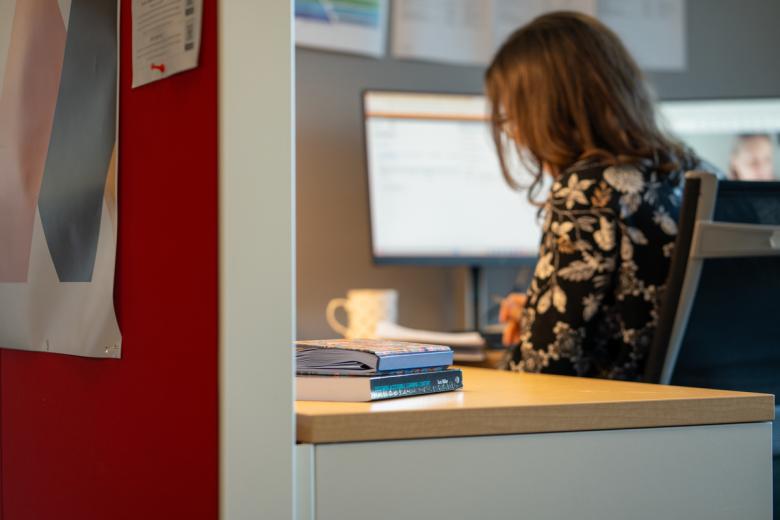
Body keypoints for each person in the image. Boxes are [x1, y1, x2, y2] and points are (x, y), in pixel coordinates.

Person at [486, 12, 703, 380]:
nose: (518, 134)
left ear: (548, 112)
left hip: (613, 420)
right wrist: (540, 314)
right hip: (710, 419)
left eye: (515, 116)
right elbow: (643, 312)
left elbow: (545, 367)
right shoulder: (690, 171)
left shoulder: (587, 191)